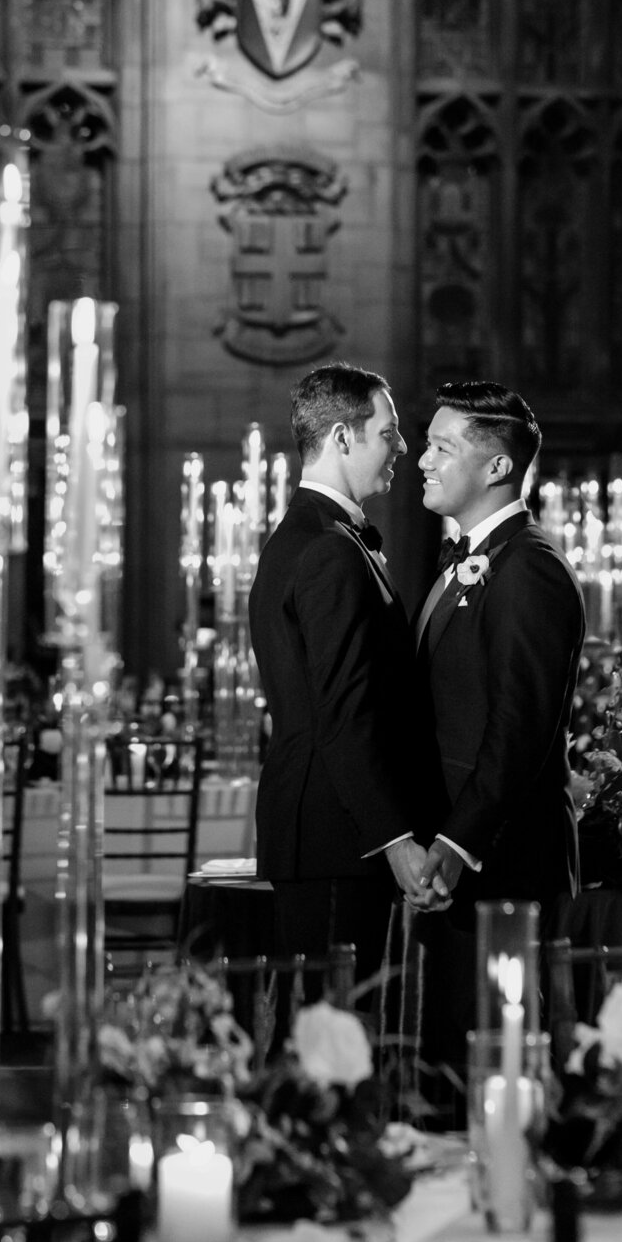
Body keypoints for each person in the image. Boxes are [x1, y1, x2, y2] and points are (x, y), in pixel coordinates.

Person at [412, 379, 586, 1062]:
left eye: (441, 446)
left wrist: (456, 845)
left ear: (496, 467)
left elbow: (519, 727)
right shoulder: (471, 562)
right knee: (454, 1055)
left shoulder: (528, 571)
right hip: (465, 862)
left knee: (497, 1059)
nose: (423, 459)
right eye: (427, 444)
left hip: (501, 864)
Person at [250, 361, 440, 984]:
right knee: (334, 1041)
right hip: (335, 835)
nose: (403, 447)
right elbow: (346, 712)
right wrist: (396, 842)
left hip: (326, 830)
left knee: (333, 1041)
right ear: (341, 438)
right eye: (387, 432)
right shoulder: (329, 548)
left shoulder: (310, 536)